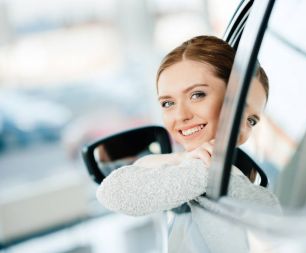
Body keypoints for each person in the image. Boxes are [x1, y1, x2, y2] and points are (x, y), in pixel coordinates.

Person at [96, 35, 280, 252]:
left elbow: (270, 220)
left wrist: (204, 167)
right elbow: (113, 191)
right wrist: (183, 159)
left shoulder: (227, 177)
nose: (180, 115)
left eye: (197, 95)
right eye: (168, 103)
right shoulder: (194, 171)